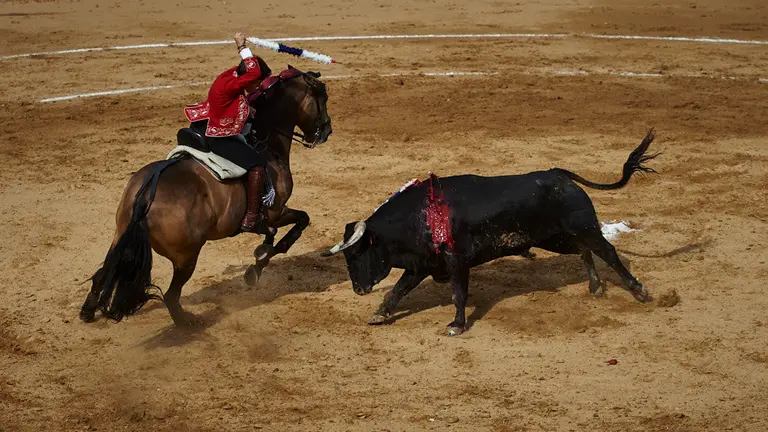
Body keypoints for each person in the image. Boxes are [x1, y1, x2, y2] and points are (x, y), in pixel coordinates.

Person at [184, 32, 273, 234]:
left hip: (203, 125)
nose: (258, 86)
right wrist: (242, 46)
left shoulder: (232, 75)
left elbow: (250, 72)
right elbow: (252, 72)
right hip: (217, 137)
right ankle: (252, 218)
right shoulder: (234, 82)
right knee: (257, 164)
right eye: (257, 83)